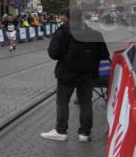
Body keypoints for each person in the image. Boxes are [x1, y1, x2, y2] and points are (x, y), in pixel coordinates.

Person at [41, 10, 110, 142]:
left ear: (67, 18)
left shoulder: (62, 32)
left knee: (62, 102)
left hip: (66, 74)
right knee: (86, 103)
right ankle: (85, 133)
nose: (61, 18)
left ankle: (61, 131)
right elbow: (104, 55)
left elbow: (53, 54)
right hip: (87, 74)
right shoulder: (95, 34)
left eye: (63, 16)